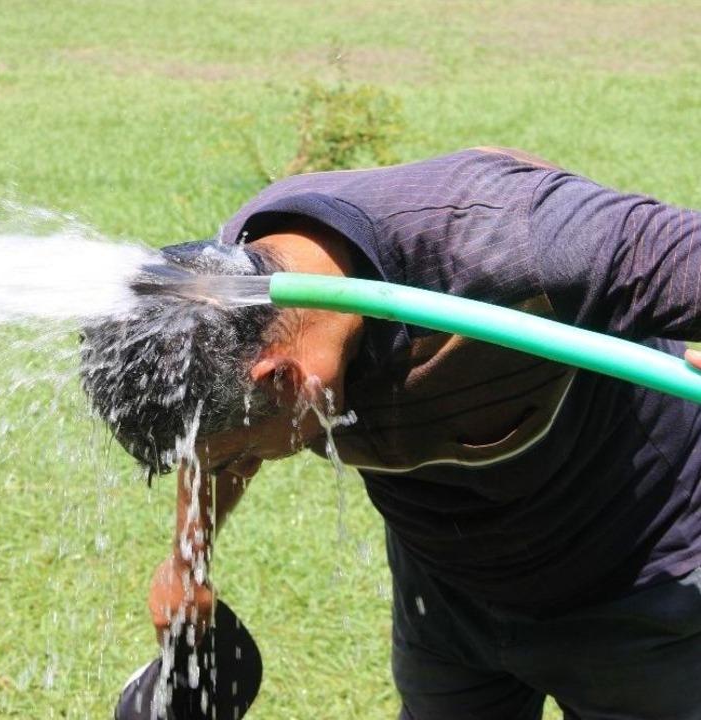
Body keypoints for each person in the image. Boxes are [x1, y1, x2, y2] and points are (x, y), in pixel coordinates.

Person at [80, 147, 701, 719]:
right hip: (444, 595)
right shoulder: (229, 292)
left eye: (242, 453)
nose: (237, 466)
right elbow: (211, 440)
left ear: (286, 382)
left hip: (636, 581)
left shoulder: (515, 239)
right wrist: (189, 562)